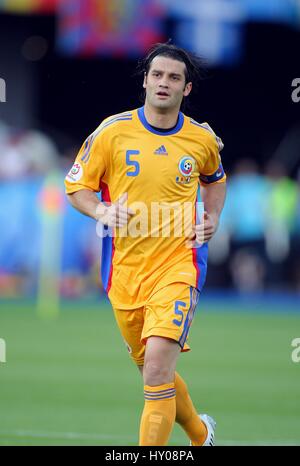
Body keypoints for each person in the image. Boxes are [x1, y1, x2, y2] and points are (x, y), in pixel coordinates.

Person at [65, 42, 226, 446]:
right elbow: (76, 187)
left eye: (174, 78)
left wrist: (213, 217)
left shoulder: (201, 139)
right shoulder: (112, 131)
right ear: (145, 80)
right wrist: (101, 212)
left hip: (179, 266)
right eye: (157, 75)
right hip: (124, 274)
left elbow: (215, 178)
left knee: (156, 369)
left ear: (186, 89)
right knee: (156, 372)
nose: (164, 83)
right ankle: (201, 433)